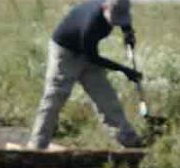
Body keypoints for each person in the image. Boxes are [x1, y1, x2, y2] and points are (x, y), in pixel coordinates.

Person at [28, 0, 144, 150]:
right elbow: (92, 58)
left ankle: (129, 140)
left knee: (106, 96)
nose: (117, 23)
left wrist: (127, 32)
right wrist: (125, 70)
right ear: (105, 8)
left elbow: (123, 19)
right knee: (56, 95)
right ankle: (37, 146)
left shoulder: (118, 6)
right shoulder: (91, 22)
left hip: (87, 52)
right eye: (115, 19)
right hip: (65, 52)